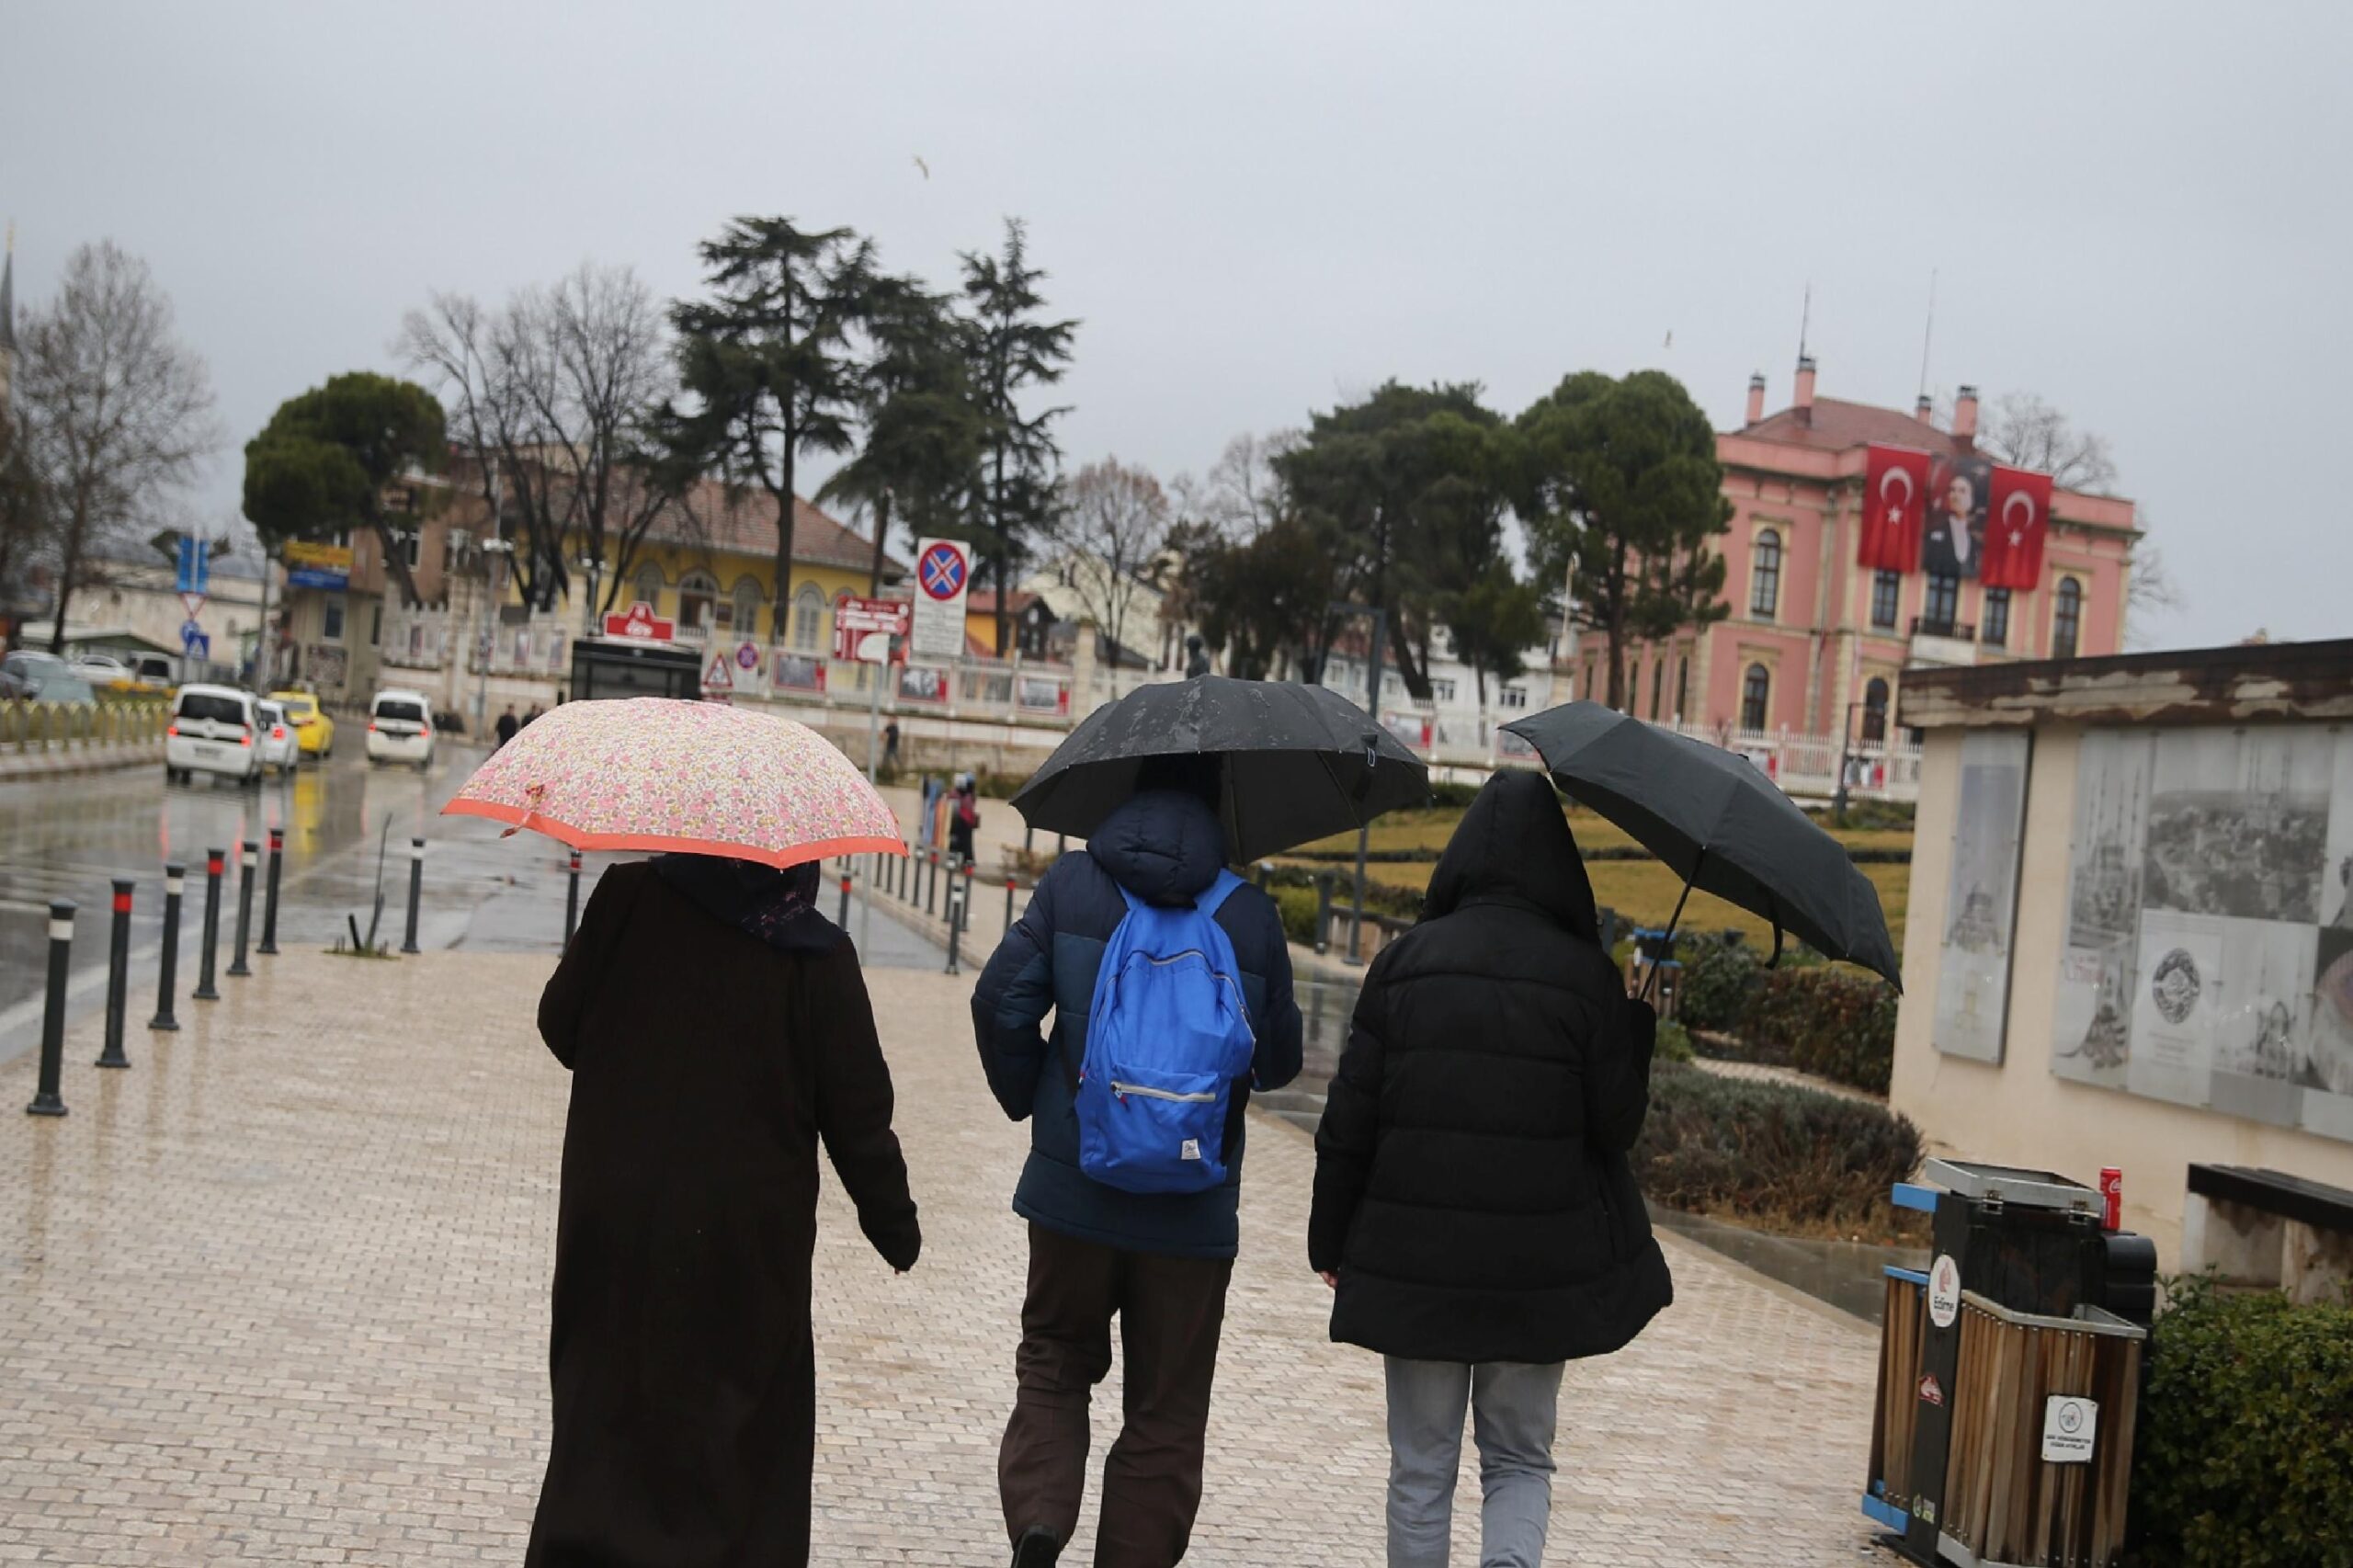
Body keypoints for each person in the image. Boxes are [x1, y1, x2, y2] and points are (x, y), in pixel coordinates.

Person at [1308, 769, 1672, 1568]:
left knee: (1422, 1469)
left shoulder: (1403, 967)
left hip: (1416, 1264)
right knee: (1518, 1461)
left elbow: (1347, 1124)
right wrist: (1632, 1034)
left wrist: (1328, 1242)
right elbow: (1616, 1126)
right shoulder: (1585, 980)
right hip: (1538, 1274)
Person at [527, 855, 920, 1567]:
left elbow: (560, 1026)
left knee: (604, 1423)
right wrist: (895, 1227)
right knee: (737, 1449)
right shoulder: (814, 953)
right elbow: (859, 1117)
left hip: (614, 1229)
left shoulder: (626, 896)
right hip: (741, 1255)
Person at [972, 754, 1303, 1568]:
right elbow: (1283, 1057)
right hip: (1191, 1211)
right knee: (1166, 1404)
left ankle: (1042, 1520)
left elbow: (999, 1002)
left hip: (1072, 1191)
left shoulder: (1073, 885)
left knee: (1054, 1359)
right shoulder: (1249, 915)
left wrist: (1038, 1105)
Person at [1922, 459, 1988, 580]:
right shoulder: (1934, 534)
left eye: (1962, 491)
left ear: (1972, 498)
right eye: (1952, 490)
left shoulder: (1976, 541)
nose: (1955, 496)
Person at [949, 775, 981, 865]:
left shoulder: (958, 794)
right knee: (967, 842)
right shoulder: (970, 795)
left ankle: (963, 860)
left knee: (960, 842)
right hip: (968, 821)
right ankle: (968, 860)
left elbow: (950, 799)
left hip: (961, 821)